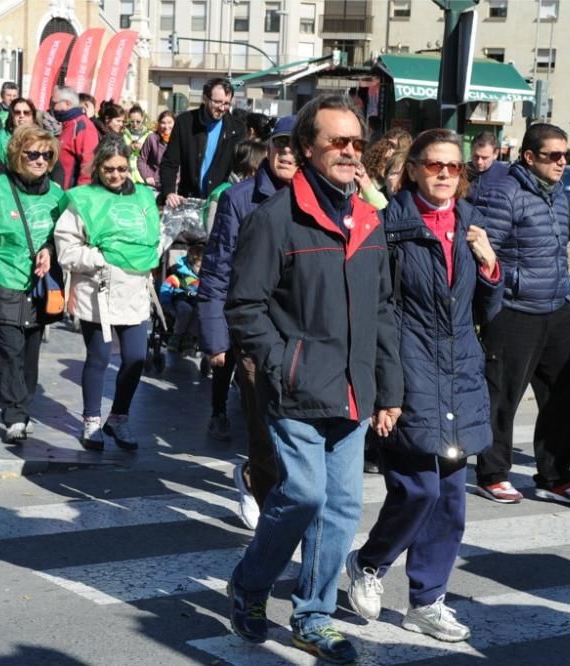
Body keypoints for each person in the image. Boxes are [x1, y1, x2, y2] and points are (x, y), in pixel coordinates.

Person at [224, 95, 403, 663]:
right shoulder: (276, 219)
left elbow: (383, 309)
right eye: (338, 143)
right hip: (296, 386)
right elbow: (245, 305)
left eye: (357, 142)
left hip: (353, 391)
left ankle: (313, 616)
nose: (351, 152)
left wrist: (388, 389)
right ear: (307, 149)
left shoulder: (370, 218)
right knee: (303, 493)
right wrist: (281, 364)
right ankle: (251, 584)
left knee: (342, 509)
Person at [346, 128, 502, 643]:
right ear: (412, 169)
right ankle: (369, 562)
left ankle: (427, 601)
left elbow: (485, 311)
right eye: (433, 165)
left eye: (453, 167)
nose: (443, 174)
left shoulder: (469, 224)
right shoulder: (390, 226)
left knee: (452, 498)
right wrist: (384, 389)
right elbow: (376, 311)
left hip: (460, 375)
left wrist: (490, 267)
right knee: (419, 488)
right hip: (409, 372)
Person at [473, 123, 570, 506]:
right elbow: (482, 249)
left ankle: (555, 476)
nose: (562, 163)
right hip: (514, 311)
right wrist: (503, 294)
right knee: (503, 397)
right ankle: (493, 474)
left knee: (564, 398)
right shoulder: (504, 194)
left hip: (555, 309)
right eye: (553, 156)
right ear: (529, 157)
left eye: (567, 156)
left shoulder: (558, 196)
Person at [198, 115, 297, 529]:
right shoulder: (240, 199)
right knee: (263, 423)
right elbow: (218, 267)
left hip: (302, 329)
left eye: (296, 146)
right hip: (255, 329)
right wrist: (214, 336)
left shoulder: (322, 194)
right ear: (268, 148)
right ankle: (258, 481)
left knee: (295, 426)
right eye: (280, 145)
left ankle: (280, 488)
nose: (287, 154)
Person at [0, 126, 67, 442]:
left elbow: (67, 240)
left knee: (29, 356)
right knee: (11, 351)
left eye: (46, 155)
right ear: (18, 155)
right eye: (32, 154)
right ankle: (15, 416)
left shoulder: (59, 195)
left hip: (38, 286)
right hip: (2, 278)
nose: (40, 160)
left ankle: (22, 406)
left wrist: (51, 250)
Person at [55, 137, 161, 451]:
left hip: (134, 292)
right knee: (99, 357)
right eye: (108, 169)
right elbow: (67, 248)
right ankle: (90, 420)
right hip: (98, 291)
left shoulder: (143, 198)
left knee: (136, 357)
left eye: (121, 169)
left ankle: (118, 417)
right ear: (98, 167)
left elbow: (153, 237)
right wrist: (100, 258)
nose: (115, 175)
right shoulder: (83, 200)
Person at [159, 78, 245, 207]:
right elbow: (170, 162)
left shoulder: (237, 128)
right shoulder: (185, 122)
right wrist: (169, 192)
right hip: (188, 200)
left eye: (227, 103)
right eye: (217, 102)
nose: (222, 108)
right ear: (205, 98)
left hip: (221, 202)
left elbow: (242, 168)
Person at [51, 85, 99, 190]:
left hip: (71, 197)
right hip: (59, 193)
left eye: (54, 103)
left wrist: (79, 198)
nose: (51, 107)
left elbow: (88, 166)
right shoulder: (67, 125)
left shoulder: (82, 126)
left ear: (67, 103)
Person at [160, 245, 203, 354]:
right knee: (186, 309)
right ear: (190, 264)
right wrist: (165, 303)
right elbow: (167, 286)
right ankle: (177, 336)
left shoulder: (204, 277)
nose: (201, 269)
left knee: (200, 310)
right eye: (198, 266)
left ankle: (189, 337)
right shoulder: (180, 274)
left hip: (195, 301)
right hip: (180, 300)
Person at [464, 131, 509, 204]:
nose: (479, 162)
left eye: (484, 158)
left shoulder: (507, 175)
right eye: (476, 156)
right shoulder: (463, 171)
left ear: (495, 154)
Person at [138, 110, 173, 189]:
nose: (166, 126)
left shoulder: (179, 139)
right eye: (163, 123)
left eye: (170, 122)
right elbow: (141, 159)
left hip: (174, 186)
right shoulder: (152, 138)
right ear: (159, 124)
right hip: (154, 185)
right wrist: (146, 176)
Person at [123, 104, 149, 183]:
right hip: (127, 177)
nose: (135, 124)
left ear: (143, 119)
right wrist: (130, 148)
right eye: (132, 121)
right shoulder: (123, 134)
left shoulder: (149, 135)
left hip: (144, 178)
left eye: (138, 121)